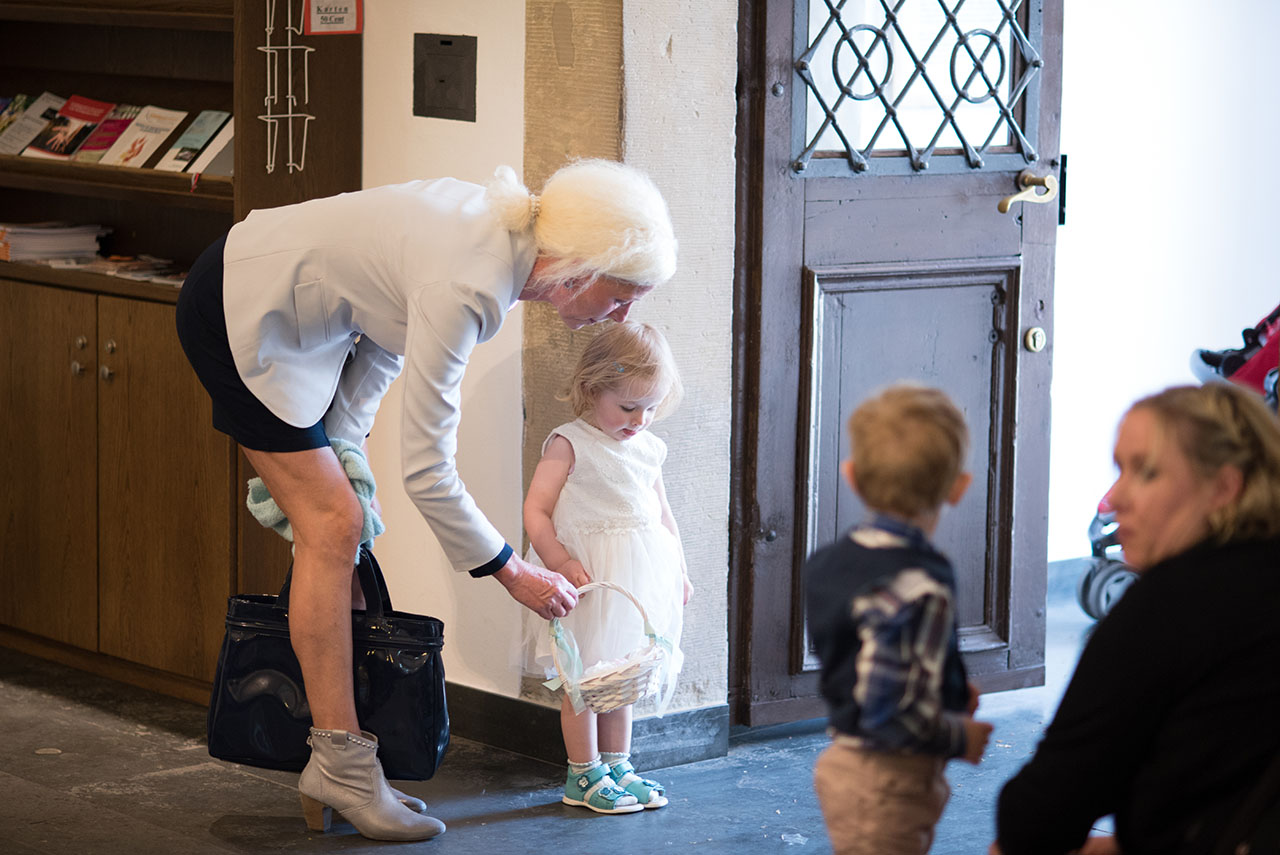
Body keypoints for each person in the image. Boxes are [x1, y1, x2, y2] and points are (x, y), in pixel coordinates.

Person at [174, 160, 677, 841]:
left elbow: (385, 336)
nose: (620, 316)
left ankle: (341, 762)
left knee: (340, 523)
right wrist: (513, 571)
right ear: (579, 268)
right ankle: (343, 768)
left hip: (287, 307)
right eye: (621, 298)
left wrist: (345, 447)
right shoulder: (470, 278)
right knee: (334, 524)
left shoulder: (501, 241)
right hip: (240, 309)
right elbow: (429, 472)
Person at [991, 383, 1280, 855]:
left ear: (1224, 488)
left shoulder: (1170, 607)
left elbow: (1039, 817)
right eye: (1119, 469)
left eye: (1146, 473)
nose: (1115, 498)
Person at [803, 383, 993, 855]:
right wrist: (959, 736)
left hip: (847, 761)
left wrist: (944, 686)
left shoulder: (828, 562)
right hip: (886, 777)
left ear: (852, 476)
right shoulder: (917, 587)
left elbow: (860, 656)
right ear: (958, 486)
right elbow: (888, 715)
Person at [521, 321, 692, 815]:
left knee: (626, 676)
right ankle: (582, 772)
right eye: (628, 407)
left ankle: (618, 764)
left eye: (651, 407)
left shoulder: (649, 448)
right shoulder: (568, 442)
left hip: (639, 578)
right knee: (584, 679)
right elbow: (536, 510)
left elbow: (663, 514)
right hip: (589, 580)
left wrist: (678, 570)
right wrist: (559, 562)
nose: (640, 419)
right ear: (593, 390)